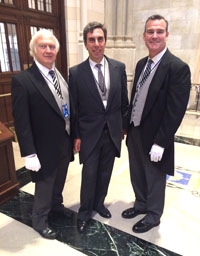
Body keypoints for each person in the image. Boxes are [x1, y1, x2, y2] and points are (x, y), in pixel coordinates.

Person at [122, 14, 191, 233]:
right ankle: (141, 204)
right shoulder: (143, 63)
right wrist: (127, 126)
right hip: (135, 131)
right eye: (150, 31)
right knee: (137, 172)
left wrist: (161, 142)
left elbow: (175, 110)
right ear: (144, 36)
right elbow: (136, 99)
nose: (154, 36)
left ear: (166, 35)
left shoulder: (177, 68)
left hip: (156, 135)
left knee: (154, 176)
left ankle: (153, 215)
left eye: (159, 31)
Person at [11, 29, 74, 239]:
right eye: (43, 46)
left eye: (52, 46)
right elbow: (22, 121)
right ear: (33, 51)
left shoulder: (59, 75)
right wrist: (29, 153)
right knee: (45, 185)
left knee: (59, 181)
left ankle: (57, 207)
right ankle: (39, 219)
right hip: (43, 147)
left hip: (63, 142)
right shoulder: (23, 81)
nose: (48, 50)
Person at [69, 21, 129, 233]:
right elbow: (74, 108)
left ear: (105, 41)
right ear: (86, 43)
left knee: (105, 172)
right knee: (89, 174)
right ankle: (85, 212)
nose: (96, 44)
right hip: (89, 133)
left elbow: (124, 101)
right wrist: (75, 135)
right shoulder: (76, 73)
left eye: (100, 39)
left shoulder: (118, 68)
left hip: (112, 131)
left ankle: (99, 203)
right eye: (92, 40)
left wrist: (123, 127)